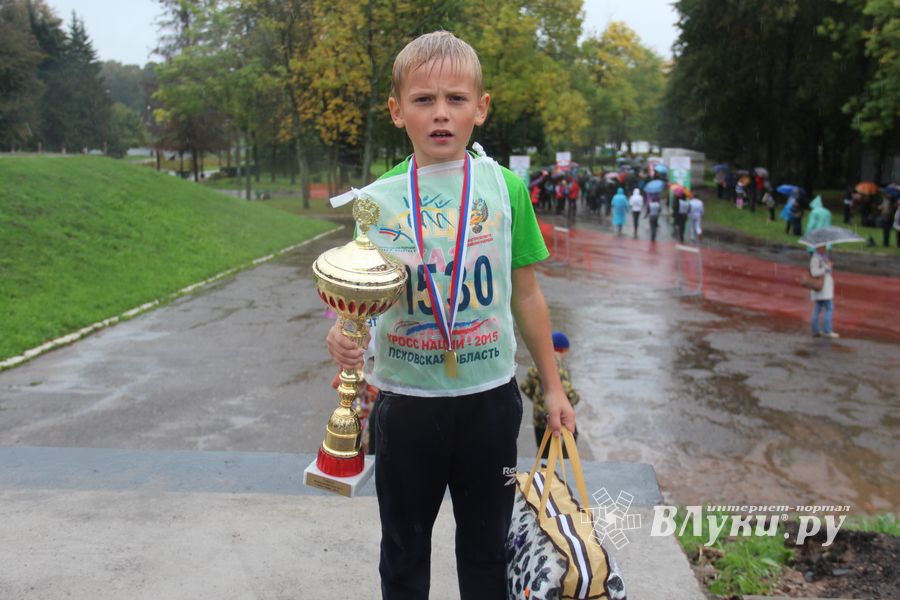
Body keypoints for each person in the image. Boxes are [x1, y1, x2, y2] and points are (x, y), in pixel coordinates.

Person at [325, 31, 575, 599]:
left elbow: (528, 295)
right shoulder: (379, 199)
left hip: (489, 401)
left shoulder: (505, 189)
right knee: (403, 553)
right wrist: (341, 335)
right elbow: (359, 296)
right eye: (424, 100)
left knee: (485, 555)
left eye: (456, 99)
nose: (441, 114)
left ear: (480, 108)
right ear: (397, 111)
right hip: (407, 405)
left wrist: (553, 389)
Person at [520, 331, 581, 458]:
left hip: (538, 417)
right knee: (571, 437)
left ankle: (541, 474)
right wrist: (576, 398)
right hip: (556, 416)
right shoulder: (557, 363)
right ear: (563, 350)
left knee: (543, 450)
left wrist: (538, 401)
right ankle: (562, 466)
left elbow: (525, 386)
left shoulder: (537, 362)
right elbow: (567, 391)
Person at [808, 246, 839, 338]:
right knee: (829, 308)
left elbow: (827, 270)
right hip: (822, 288)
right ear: (818, 247)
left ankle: (816, 330)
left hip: (824, 288)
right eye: (823, 246)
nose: (825, 247)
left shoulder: (823, 257)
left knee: (818, 308)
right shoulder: (815, 259)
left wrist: (829, 267)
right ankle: (827, 330)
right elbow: (814, 272)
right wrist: (826, 268)